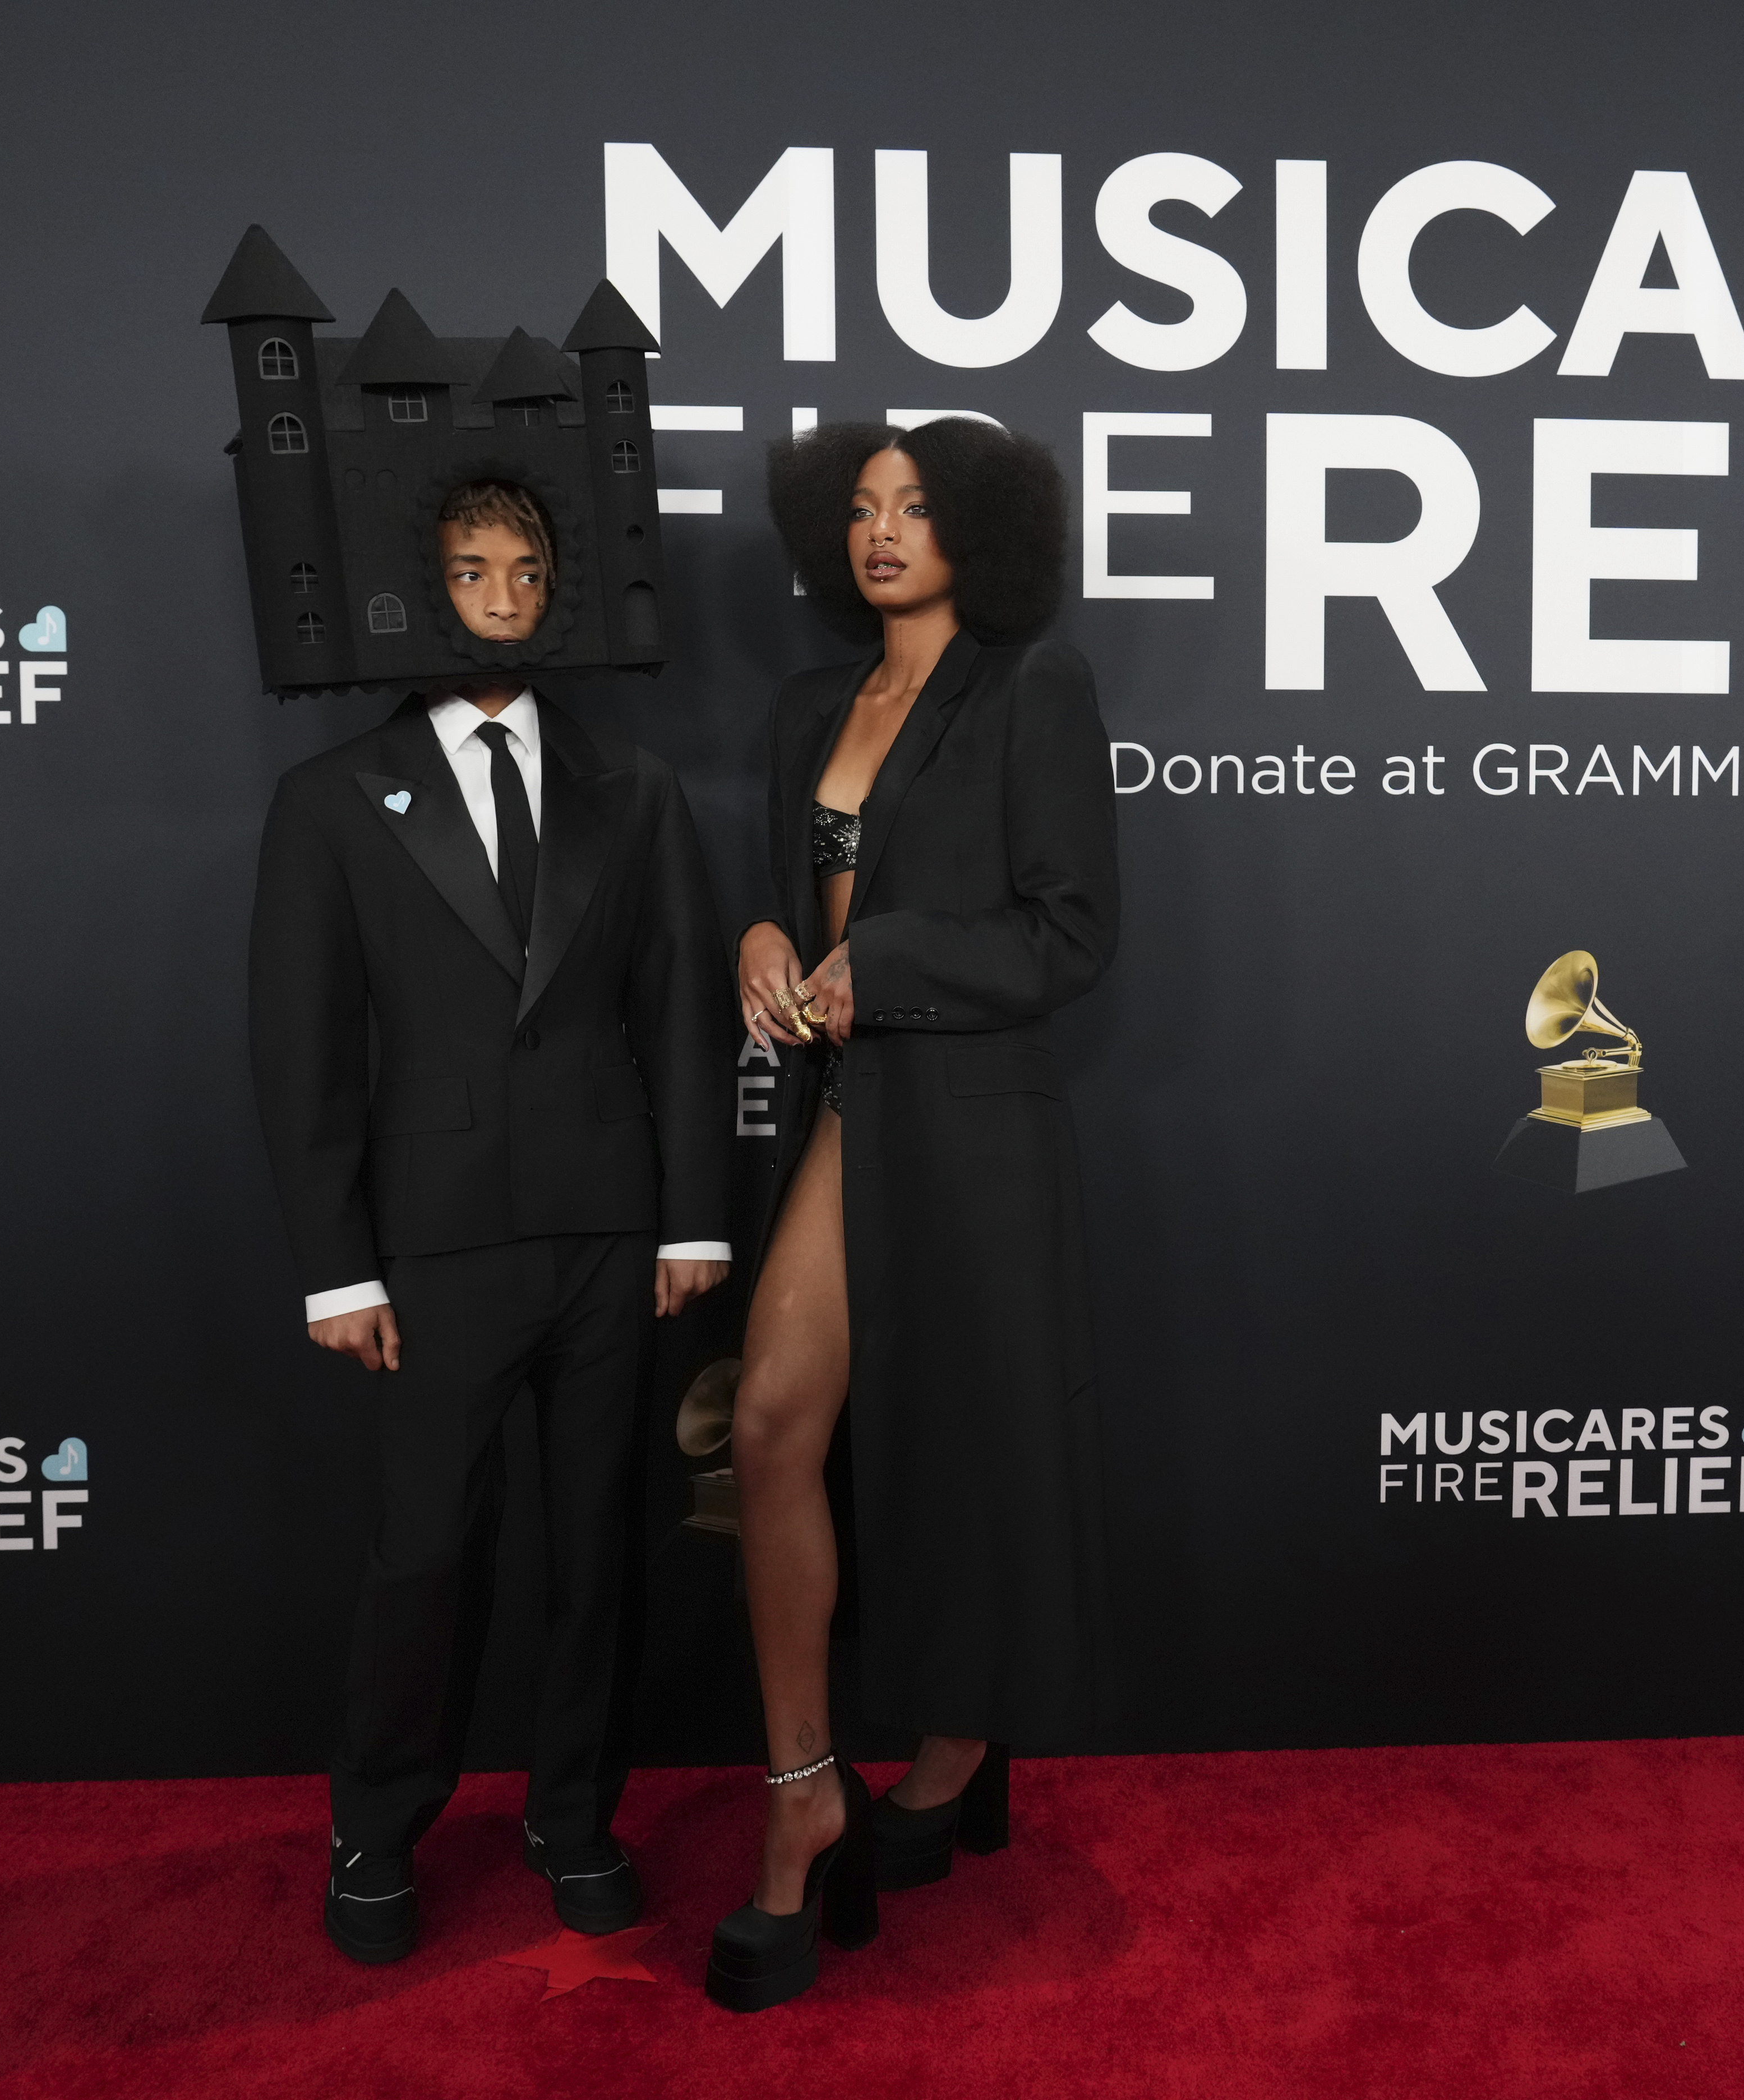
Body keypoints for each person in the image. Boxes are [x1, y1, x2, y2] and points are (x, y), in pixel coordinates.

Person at [248, 478, 733, 1964]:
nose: (505, 592)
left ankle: (574, 1818)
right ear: (425, 586)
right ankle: (378, 1830)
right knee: (423, 1555)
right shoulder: (334, 796)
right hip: (432, 1245)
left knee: (597, 1549)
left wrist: (693, 1225)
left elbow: (688, 1019)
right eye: (473, 566)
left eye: (529, 568)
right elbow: (303, 1046)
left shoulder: (633, 791)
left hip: (609, 1238)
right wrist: (336, 1264)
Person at [704, 420, 1120, 2012]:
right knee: (771, 1428)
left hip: (970, 1121)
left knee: (968, 1441)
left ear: (983, 531)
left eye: (919, 507)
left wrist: (898, 966)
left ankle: (959, 1739)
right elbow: (778, 880)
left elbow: (1074, 932)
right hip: (840, 1108)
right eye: (864, 508)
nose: (884, 532)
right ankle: (804, 1785)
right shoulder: (812, 703)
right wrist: (758, 931)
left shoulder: (1035, 686)